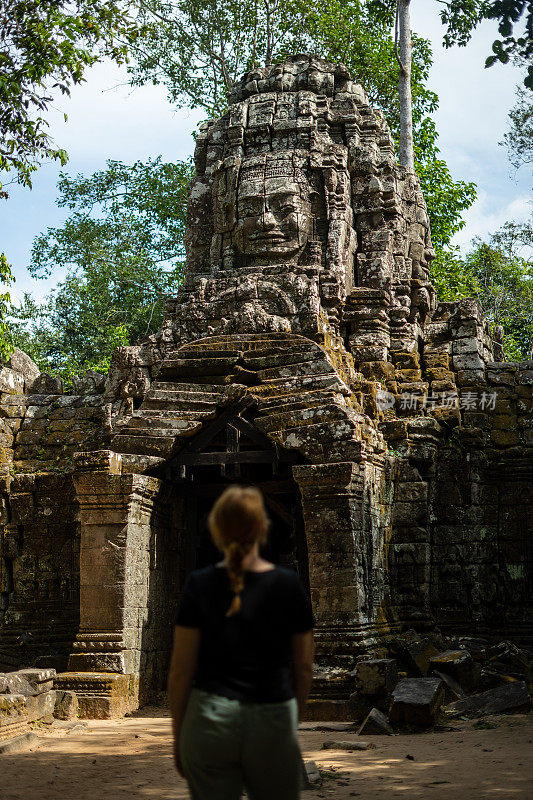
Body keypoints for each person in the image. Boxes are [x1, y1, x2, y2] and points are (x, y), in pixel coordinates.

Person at [168, 484, 315, 800]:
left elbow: (180, 672)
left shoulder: (199, 585)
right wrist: (289, 723)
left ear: (216, 530)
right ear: (263, 529)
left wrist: (179, 736)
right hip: (271, 718)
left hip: (209, 720)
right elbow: (303, 667)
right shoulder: (288, 584)